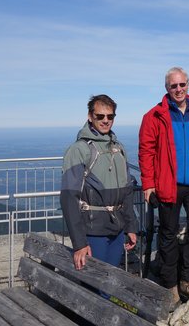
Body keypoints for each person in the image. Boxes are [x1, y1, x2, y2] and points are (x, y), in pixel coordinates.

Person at [138, 67, 189, 309]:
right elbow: (146, 152)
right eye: (173, 86)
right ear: (166, 88)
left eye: (182, 85)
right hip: (168, 183)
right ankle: (170, 284)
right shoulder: (154, 115)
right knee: (168, 233)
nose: (178, 89)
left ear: (188, 85)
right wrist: (148, 184)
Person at [60, 94, 137, 275]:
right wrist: (79, 243)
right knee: (93, 284)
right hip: (93, 232)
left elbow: (126, 192)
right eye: (100, 116)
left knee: (109, 282)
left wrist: (131, 226)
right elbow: (69, 198)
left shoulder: (118, 149)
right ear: (90, 116)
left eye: (110, 116)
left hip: (116, 230)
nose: (105, 121)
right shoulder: (79, 150)